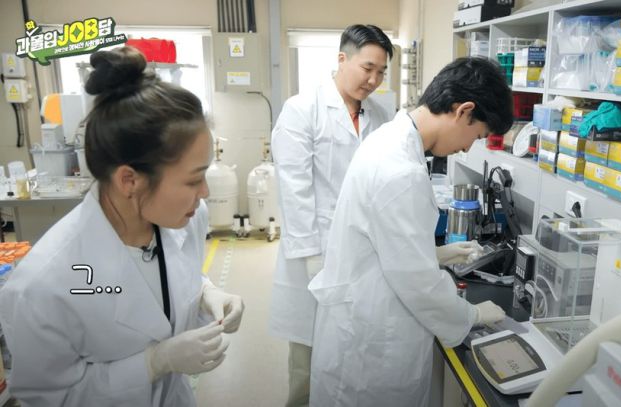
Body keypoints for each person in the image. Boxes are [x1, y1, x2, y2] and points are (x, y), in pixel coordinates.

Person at [0, 47, 244, 406]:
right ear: (129, 180)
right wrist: (153, 363)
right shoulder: (42, 285)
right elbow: (52, 398)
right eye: (193, 180)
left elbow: (167, 281)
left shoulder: (186, 220)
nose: (205, 192)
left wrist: (206, 293)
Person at [307, 57, 513, 406]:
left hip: (362, 314)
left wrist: (432, 253)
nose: (467, 148)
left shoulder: (390, 138)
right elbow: (419, 284)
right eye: (476, 136)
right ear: (463, 111)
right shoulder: (401, 170)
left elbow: (384, 240)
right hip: (371, 343)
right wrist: (473, 315)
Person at [267, 24, 393, 406]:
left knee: (353, 356)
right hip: (316, 249)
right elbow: (295, 188)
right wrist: (311, 256)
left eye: (381, 72)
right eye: (367, 68)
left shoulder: (380, 116)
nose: (373, 80)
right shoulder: (302, 109)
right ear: (342, 59)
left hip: (363, 253)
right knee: (308, 363)